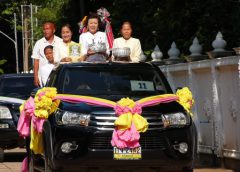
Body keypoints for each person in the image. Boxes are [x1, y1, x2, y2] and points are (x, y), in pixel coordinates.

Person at [31, 22, 62, 87]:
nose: (45, 31)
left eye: (47, 29)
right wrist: (36, 77)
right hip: (43, 78)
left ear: (53, 30)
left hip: (59, 76)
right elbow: (36, 61)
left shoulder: (60, 42)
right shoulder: (38, 43)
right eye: (44, 29)